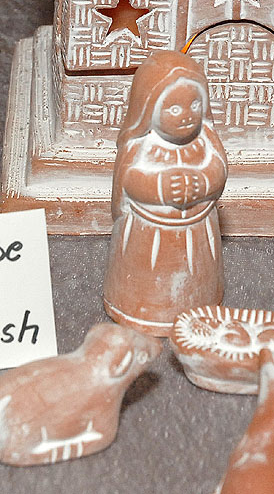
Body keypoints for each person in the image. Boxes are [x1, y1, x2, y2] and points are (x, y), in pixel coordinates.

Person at [104, 50, 227, 336]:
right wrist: (161, 186)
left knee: (195, 277)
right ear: (148, 108)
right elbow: (128, 180)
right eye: (173, 108)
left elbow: (219, 169)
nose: (187, 116)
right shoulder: (140, 146)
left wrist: (202, 182)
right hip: (148, 236)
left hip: (198, 231)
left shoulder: (205, 139)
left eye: (195, 104)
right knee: (147, 278)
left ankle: (201, 304)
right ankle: (138, 308)